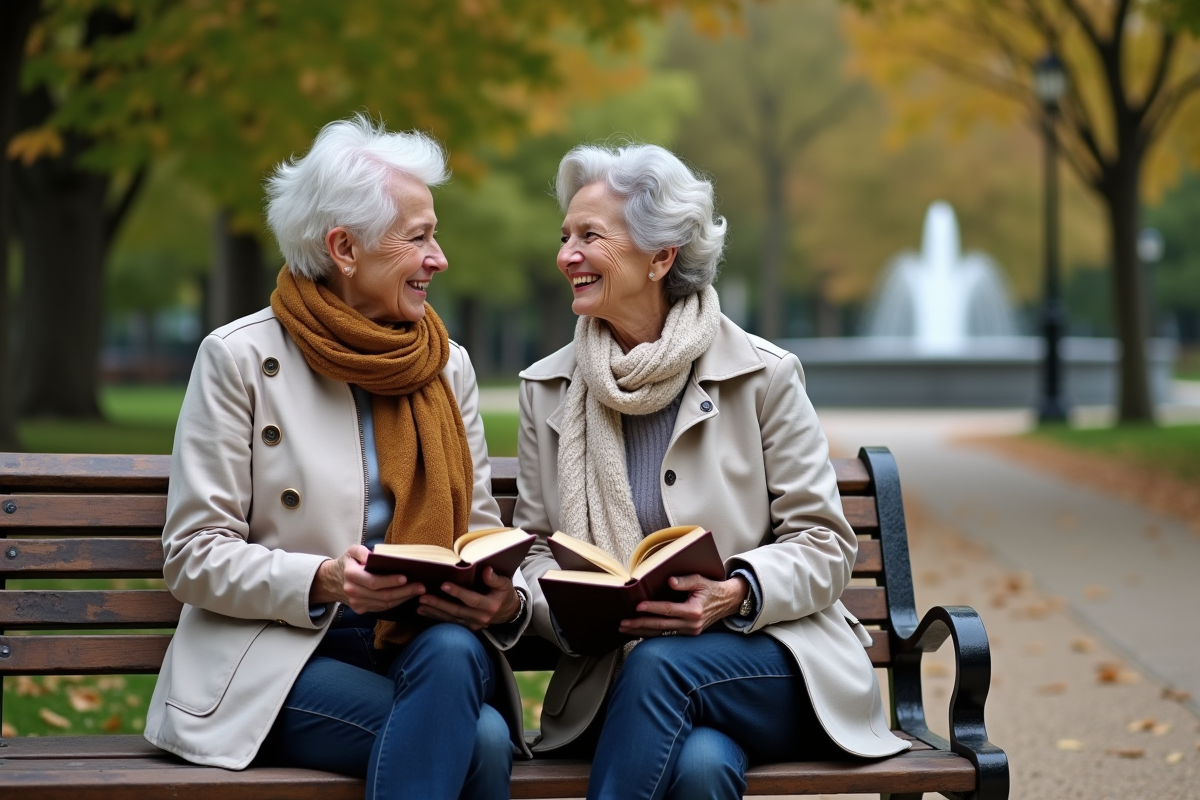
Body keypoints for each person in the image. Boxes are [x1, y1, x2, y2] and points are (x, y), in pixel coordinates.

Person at [144, 115, 532, 800]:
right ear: (345, 248)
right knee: (482, 742)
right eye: (419, 238)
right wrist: (325, 580)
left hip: (418, 641)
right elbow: (192, 554)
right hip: (277, 655)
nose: (439, 258)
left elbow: (477, 532)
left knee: (455, 656)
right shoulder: (238, 358)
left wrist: (501, 595)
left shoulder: (446, 366)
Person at [514, 143, 909, 800]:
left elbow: (826, 544)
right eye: (565, 237)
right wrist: (573, 611)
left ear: (660, 257)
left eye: (589, 236)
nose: (567, 256)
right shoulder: (548, 388)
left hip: (772, 662)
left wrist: (736, 591)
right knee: (701, 767)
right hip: (618, 676)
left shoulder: (762, 375)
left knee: (662, 667)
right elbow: (532, 549)